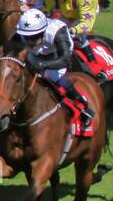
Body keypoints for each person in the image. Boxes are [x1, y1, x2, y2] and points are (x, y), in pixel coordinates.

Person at [14, 8, 96, 137]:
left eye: (34, 37)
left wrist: (43, 65)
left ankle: (83, 105)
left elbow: (65, 60)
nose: (29, 41)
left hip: (57, 56)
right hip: (36, 56)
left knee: (54, 78)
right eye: (27, 37)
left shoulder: (57, 32)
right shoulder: (22, 31)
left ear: (43, 30)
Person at [43, 0, 99, 65]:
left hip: (84, 11)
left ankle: (93, 61)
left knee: (78, 37)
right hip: (66, 11)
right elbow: (45, 14)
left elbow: (87, 24)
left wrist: (74, 30)